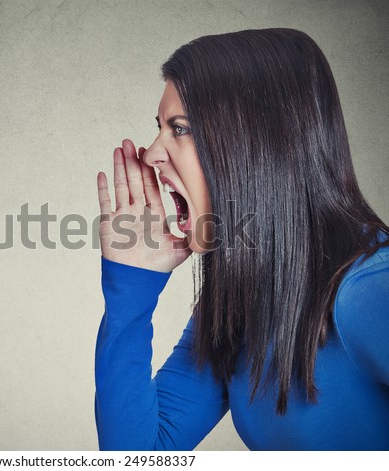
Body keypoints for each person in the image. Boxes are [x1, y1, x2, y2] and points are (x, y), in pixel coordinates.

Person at [94, 28, 389, 451]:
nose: (152, 153)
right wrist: (131, 285)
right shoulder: (239, 298)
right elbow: (137, 456)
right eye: (160, 127)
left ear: (257, 142)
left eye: (179, 129)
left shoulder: (371, 291)